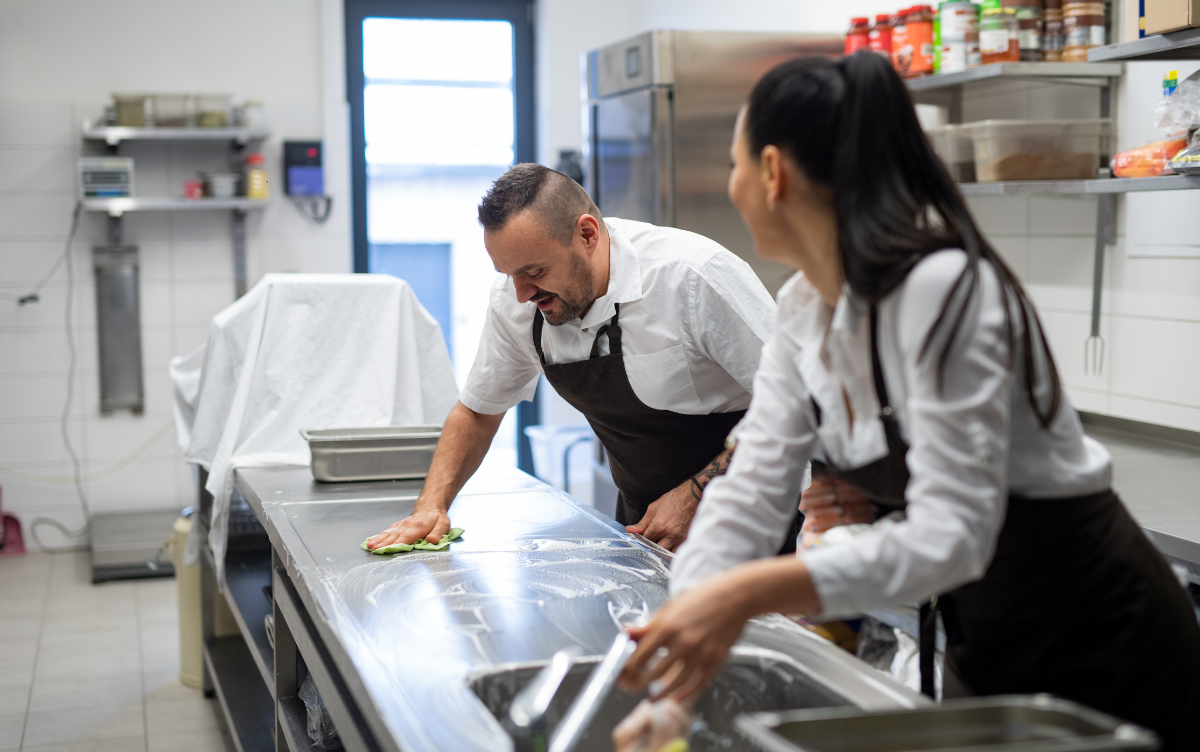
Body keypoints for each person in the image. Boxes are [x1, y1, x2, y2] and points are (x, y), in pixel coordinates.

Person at [617, 52, 1200, 749]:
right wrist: (675, 676)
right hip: (986, 636)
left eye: (737, 164)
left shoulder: (943, 289)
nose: (733, 184)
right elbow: (750, 494)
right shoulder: (805, 309)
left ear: (772, 173)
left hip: (1104, 635)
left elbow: (951, 535)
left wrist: (743, 594)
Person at [367, 164, 786, 553]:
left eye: (534, 272)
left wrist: (697, 494)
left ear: (587, 235)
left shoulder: (693, 277)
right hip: (646, 526)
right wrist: (431, 505)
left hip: (757, 514)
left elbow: (797, 404)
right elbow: (478, 412)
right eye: (508, 275)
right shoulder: (518, 303)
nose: (521, 294)